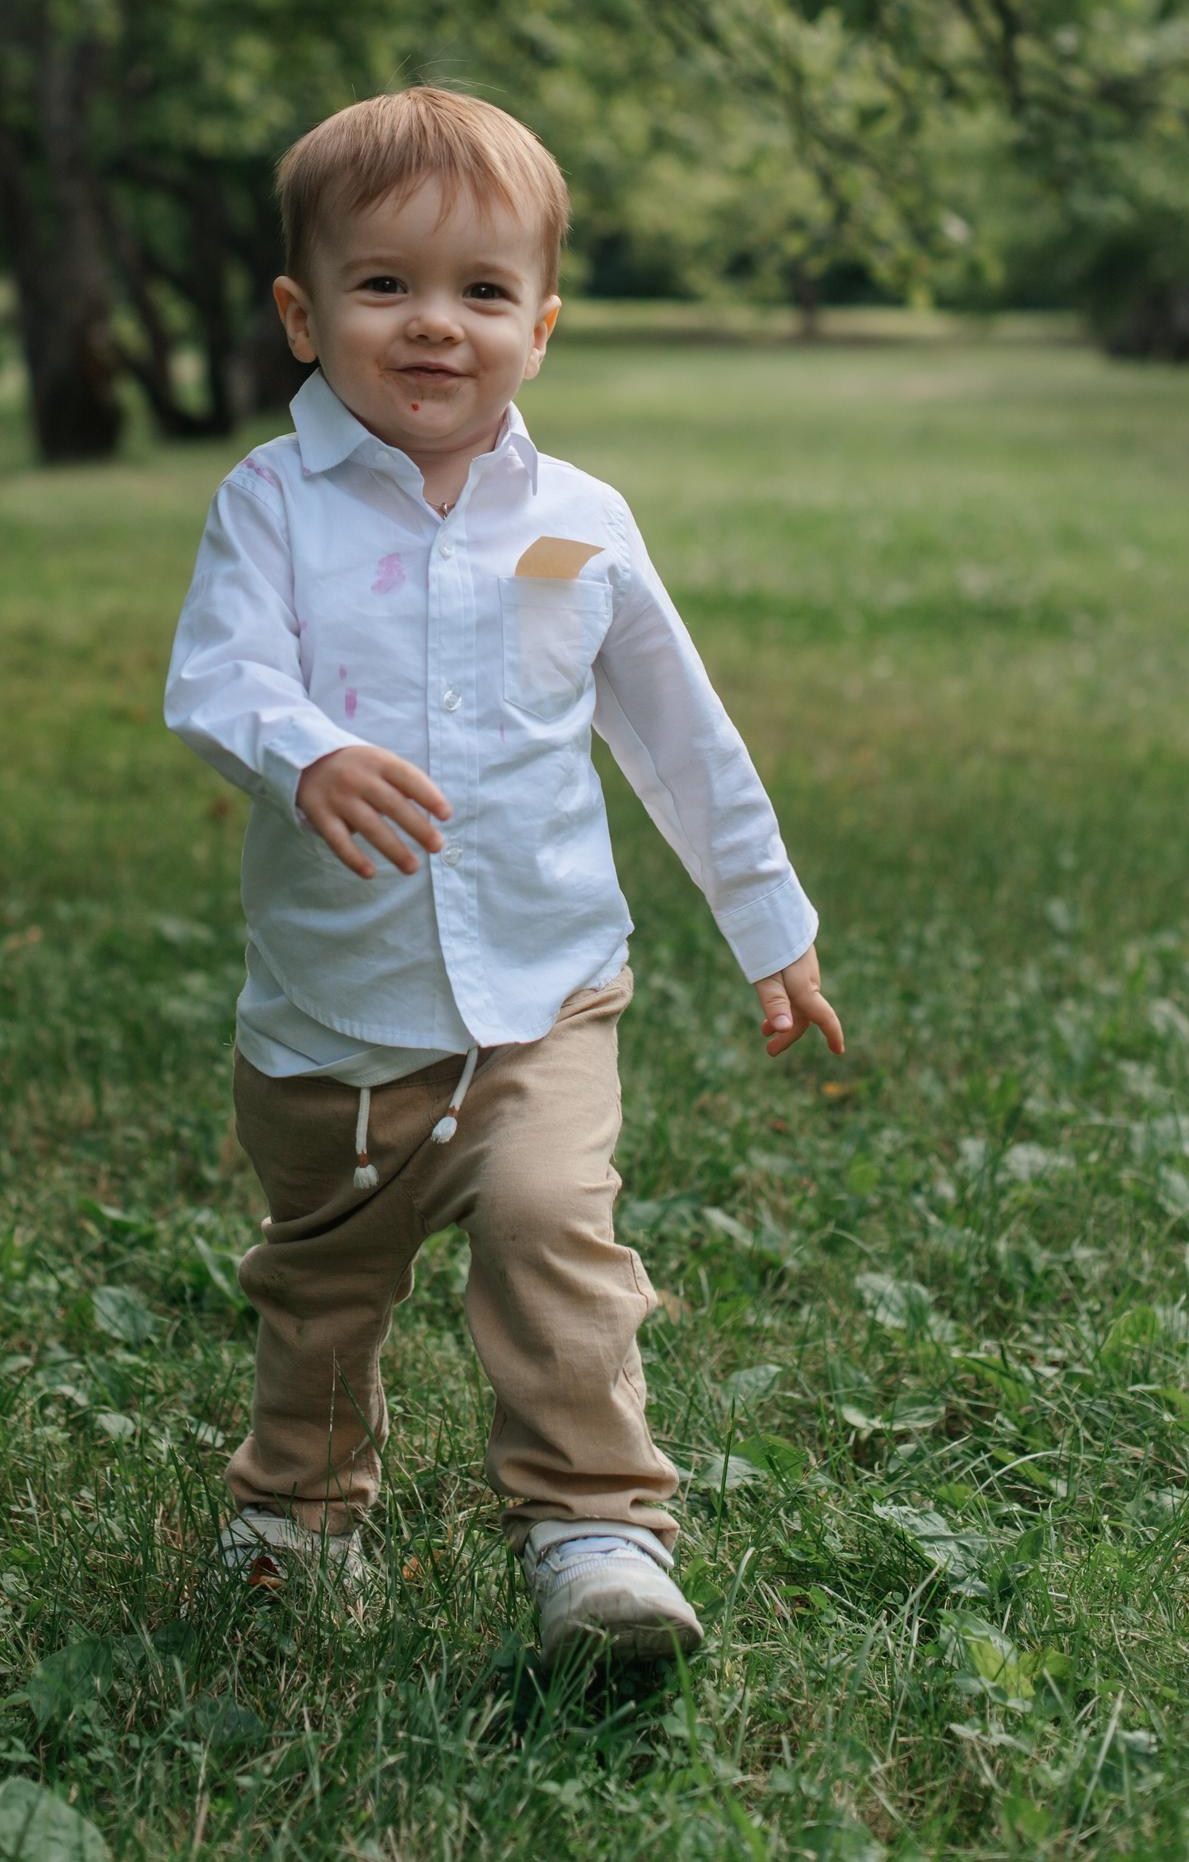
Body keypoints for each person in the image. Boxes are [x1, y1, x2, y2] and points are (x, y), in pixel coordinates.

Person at [163, 86, 843, 1667]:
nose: (433, 325)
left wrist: (770, 922)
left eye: (481, 291)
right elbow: (215, 674)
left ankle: (596, 1531)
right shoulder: (271, 505)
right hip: (336, 1017)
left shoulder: (583, 523)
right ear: (301, 311)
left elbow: (680, 735)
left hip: (545, 994)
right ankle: (298, 1510)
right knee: (324, 1281)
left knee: (553, 1230)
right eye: (384, 284)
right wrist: (305, 749)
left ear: (542, 322)